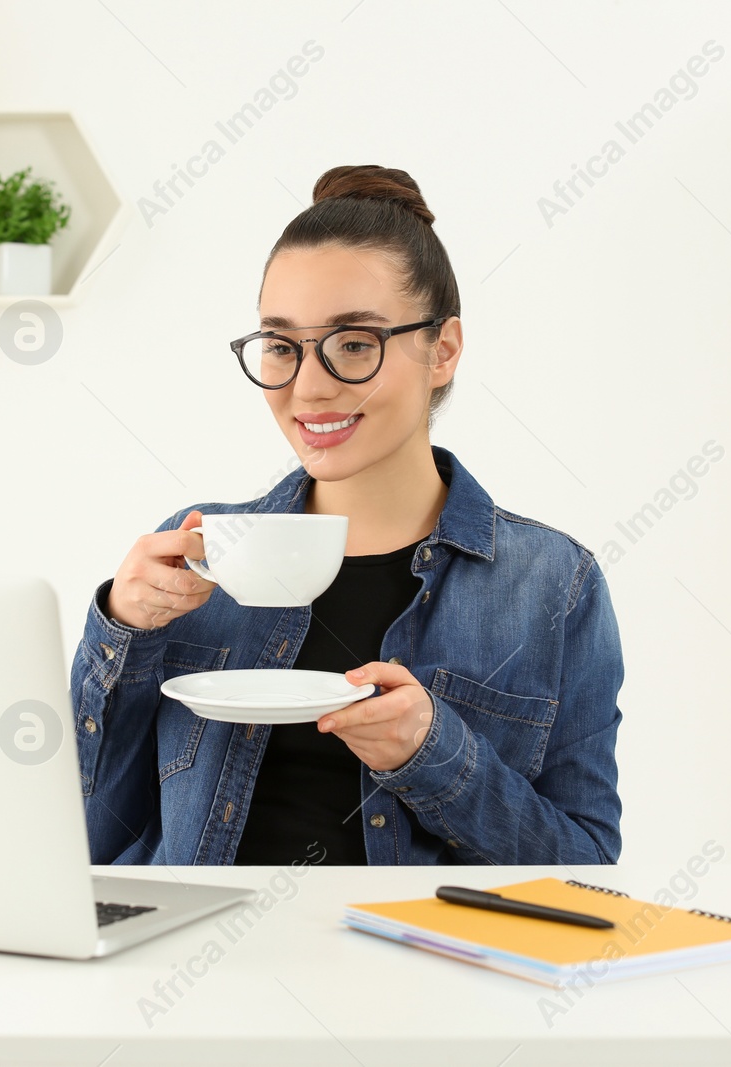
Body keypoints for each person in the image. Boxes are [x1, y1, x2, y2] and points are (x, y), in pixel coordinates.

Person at [69, 164, 623, 866]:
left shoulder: (550, 584)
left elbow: (586, 868)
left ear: (443, 349)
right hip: (200, 962)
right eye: (281, 346)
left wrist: (434, 755)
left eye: (354, 344)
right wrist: (119, 631)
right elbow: (90, 842)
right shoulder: (196, 551)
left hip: (417, 970)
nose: (309, 386)